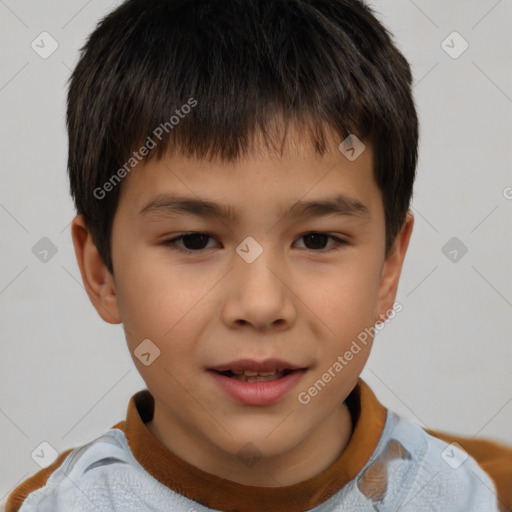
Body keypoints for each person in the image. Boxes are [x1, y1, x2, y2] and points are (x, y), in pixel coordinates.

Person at [6, 0, 512, 510]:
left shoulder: (465, 493)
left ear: (387, 268)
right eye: (194, 241)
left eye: (316, 240)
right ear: (102, 274)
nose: (261, 303)